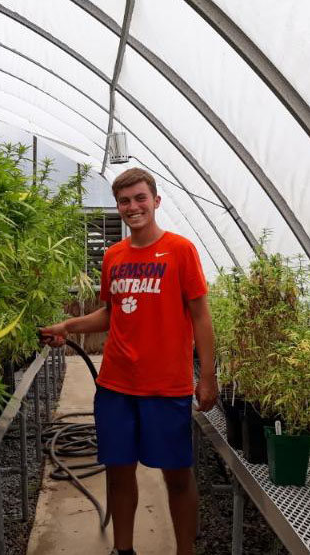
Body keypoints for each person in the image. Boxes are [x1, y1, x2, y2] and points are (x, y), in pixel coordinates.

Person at [40, 168, 217, 555]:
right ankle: (124, 550)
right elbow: (110, 314)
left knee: (177, 476)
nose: (133, 207)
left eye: (140, 198)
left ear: (156, 201)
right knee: (119, 473)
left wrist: (207, 377)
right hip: (116, 385)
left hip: (165, 386)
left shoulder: (180, 250)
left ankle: (185, 550)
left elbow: (201, 316)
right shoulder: (114, 256)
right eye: (124, 201)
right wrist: (68, 325)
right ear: (118, 206)